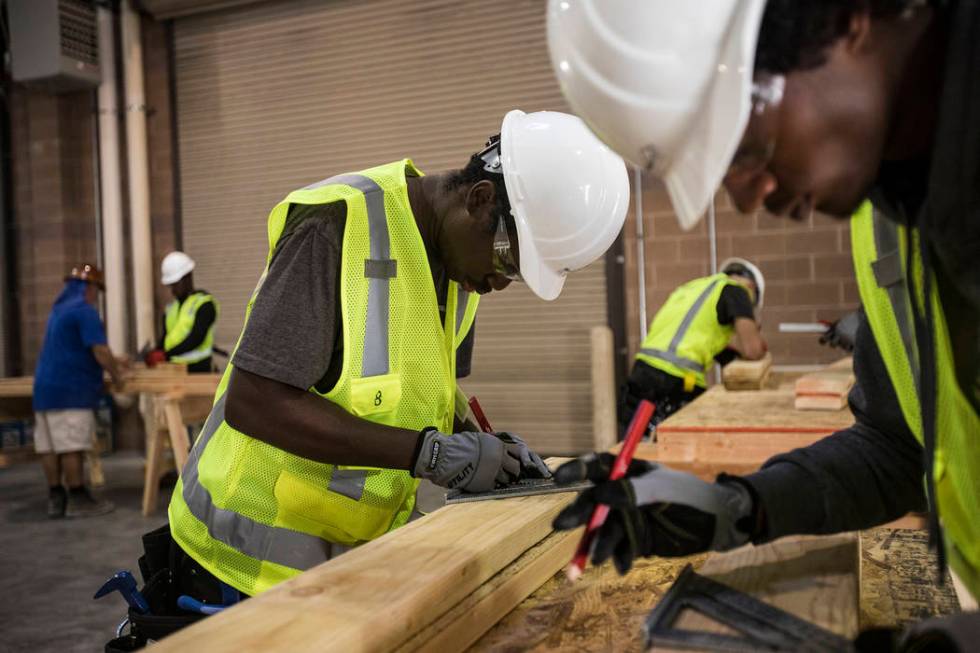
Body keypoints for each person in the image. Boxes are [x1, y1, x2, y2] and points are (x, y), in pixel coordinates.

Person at [547, 0, 978, 645]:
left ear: (846, 19)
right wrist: (737, 506)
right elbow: (897, 449)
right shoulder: (884, 224)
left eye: (747, 144)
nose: (747, 196)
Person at [153, 109, 629, 609]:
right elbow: (255, 403)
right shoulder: (333, 226)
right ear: (480, 199)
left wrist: (486, 447)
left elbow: (429, 394)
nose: (499, 284)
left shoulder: (460, 271)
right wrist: (431, 454)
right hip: (240, 566)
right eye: (509, 261)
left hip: (351, 562)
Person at [623, 258, 767, 430]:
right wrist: (755, 335)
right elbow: (753, 351)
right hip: (676, 382)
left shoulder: (694, 288)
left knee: (639, 448)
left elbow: (700, 342)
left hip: (642, 374)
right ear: (752, 287)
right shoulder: (738, 291)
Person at [33, 264, 125, 518]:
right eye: (95, 289)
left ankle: (56, 497)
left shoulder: (58, 311)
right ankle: (77, 498)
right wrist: (118, 376)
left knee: (49, 446)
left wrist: (118, 360)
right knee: (71, 446)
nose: (96, 295)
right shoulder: (85, 312)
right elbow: (100, 351)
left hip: (44, 389)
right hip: (71, 390)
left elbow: (73, 349)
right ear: (88, 287)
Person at [144, 251, 219, 373]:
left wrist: (166, 355)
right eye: (170, 285)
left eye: (175, 284)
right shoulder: (171, 308)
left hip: (199, 371)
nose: (172, 290)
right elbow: (166, 338)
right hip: (174, 370)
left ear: (188, 277)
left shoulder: (204, 304)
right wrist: (156, 352)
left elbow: (196, 338)